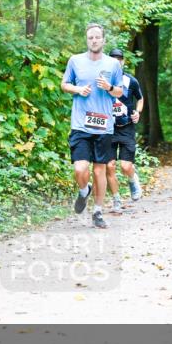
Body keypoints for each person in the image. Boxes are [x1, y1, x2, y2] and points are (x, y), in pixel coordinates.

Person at [61, 23, 125, 228]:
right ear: (87, 40)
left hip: (104, 125)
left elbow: (120, 92)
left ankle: (97, 211)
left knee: (99, 170)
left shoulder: (112, 65)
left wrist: (109, 87)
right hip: (81, 124)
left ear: (103, 40)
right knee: (80, 169)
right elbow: (64, 85)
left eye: (98, 37)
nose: (94, 40)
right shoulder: (75, 61)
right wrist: (78, 90)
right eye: (91, 38)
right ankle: (83, 191)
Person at [105, 48, 144, 213]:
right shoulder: (103, 81)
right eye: (113, 58)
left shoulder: (131, 81)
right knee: (109, 166)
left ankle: (132, 179)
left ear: (123, 61)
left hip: (127, 128)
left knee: (126, 166)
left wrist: (137, 112)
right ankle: (116, 200)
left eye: (119, 59)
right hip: (108, 129)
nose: (116, 61)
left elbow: (140, 99)